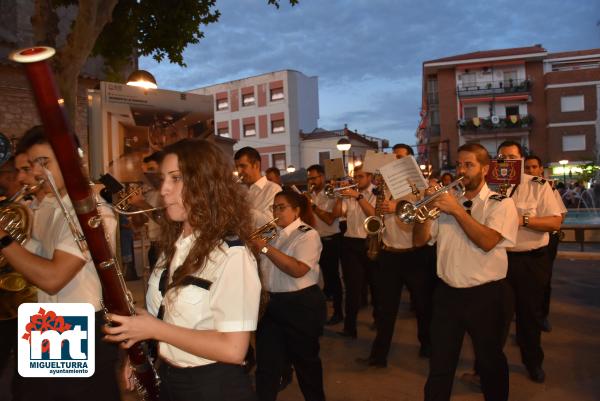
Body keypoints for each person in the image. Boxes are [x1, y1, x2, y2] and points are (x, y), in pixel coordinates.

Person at [103, 138, 261, 401]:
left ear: (206, 184)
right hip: (170, 378)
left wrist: (153, 329)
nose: (163, 189)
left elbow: (234, 349)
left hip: (213, 387)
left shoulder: (232, 254)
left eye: (176, 178)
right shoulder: (174, 246)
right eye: (163, 178)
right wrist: (142, 347)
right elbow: (167, 316)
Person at [1, 126, 120, 401]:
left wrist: (4, 239)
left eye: (45, 163)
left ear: (72, 162)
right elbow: (35, 262)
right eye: (34, 165)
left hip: (78, 324)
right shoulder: (53, 209)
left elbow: (54, 278)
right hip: (48, 322)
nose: (37, 172)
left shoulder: (93, 214)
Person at [414, 143, 519, 401]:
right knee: (440, 366)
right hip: (447, 295)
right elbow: (419, 241)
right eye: (459, 164)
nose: (462, 170)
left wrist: (457, 211)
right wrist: (423, 213)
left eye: (469, 165)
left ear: (485, 168)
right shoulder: (447, 203)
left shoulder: (500, 204)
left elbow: (487, 241)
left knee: (490, 363)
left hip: (486, 296)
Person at [358, 143, 434, 367]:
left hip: (415, 254)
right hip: (389, 253)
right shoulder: (385, 186)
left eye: (400, 157)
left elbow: (422, 215)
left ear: (410, 160)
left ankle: (427, 346)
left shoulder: (420, 186)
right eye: (394, 157)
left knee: (422, 305)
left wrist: (398, 205)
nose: (395, 161)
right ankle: (378, 355)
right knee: (384, 308)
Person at [250, 189, 327, 401]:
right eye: (273, 207)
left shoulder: (307, 234)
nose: (276, 212)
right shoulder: (271, 231)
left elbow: (297, 269)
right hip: (271, 303)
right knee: (266, 366)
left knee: (306, 365)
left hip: (300, 305)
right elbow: (250, 252)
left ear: (296, 210)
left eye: (281, 207)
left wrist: (264, 249)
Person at [497, 141, 562, 383]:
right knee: (496, 318)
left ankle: (533, 362)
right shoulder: (493, 188)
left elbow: (555, 223)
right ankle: (487, 368)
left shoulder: (538, 185)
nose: (507, 161)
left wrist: (522, 220)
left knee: (529, 317)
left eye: (512, 156)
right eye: (502, 157)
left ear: (522, 159)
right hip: (500, 260)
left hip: (530, 261)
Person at [524, 155, 567, 332]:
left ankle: (542, 316)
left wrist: (539, 222)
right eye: (527, 167)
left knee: (544, 279)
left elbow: (560, 216)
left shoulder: (549, 189)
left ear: (541, 169)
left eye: (534, 167)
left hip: (548, 238)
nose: (530, 171)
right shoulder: (520, 188)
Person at [337, 165, 376, 338]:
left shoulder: (377, 193)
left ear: (370, 177)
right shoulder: (350, 193)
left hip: (369, 243)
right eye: (355, 177)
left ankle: (378, 319)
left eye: (360, 177)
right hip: (350, 242)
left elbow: (374, 215)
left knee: (375, 286)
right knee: (352, 287)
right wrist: (339, 198)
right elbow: (338, 214)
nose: (356, 180)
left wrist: (358, 197)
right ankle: (349, 326)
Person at [307, 164, 344, 325]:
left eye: (314, 178)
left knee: (333, 278)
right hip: (315, 240)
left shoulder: (332, 193)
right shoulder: (311, 194)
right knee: (315, 277)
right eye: (309, 178)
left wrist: (313, 206)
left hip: (330, 240)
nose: (311, 181)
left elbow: (330, 220)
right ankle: (318, 313)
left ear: (322, 176)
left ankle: (338, 312)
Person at [235, 147, 282, 228]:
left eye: (243, 166)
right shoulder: (239, 190)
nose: (239, 171)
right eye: (237, 167)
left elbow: (272, 223)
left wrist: (240, 207)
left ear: (256, 165)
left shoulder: (273, 189)